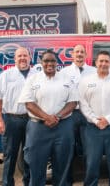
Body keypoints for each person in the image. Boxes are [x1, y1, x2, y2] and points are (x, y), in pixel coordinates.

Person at [18, 49, 78, 186]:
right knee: (36, 165)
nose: (49, 63)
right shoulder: (33, 79)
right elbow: (29, 103)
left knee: (62, 166)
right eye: (46, 61)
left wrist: (56, 117)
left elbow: (73, 102)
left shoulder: (66, 79)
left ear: (57, 63)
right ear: (41, 62)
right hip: (38, 128)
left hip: (62, 127)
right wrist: (47, 117)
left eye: (52, 60)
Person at [79, 51, 110, 186]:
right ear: (96, 63)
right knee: (92, 163)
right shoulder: (86, 81)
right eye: (101, 61)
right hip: (92, 129)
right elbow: (83, 104)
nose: (103, 64)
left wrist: (108, 120)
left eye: (106, 61)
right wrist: (95, 120)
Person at [0, 47, 34, 186]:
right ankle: (7, 183)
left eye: (25, 55)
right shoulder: (6, 75)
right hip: (11, 119)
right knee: (10, 155)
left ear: (30, 58)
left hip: (32, 120)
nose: (22, 58)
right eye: (19, 56)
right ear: (14, 59)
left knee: (30, 155)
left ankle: (28, 183)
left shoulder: (36, 75)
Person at [60, 44, 96, 177]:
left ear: (86, 55)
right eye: (77, 52)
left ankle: (89, 179)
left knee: (89, 148)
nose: (79, 54)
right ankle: (67, 179)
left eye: (82, 52)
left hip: (88, 114)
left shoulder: (93, 71)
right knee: (68, 148)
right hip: (71, 114)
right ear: (72, 55)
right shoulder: (64, 72)